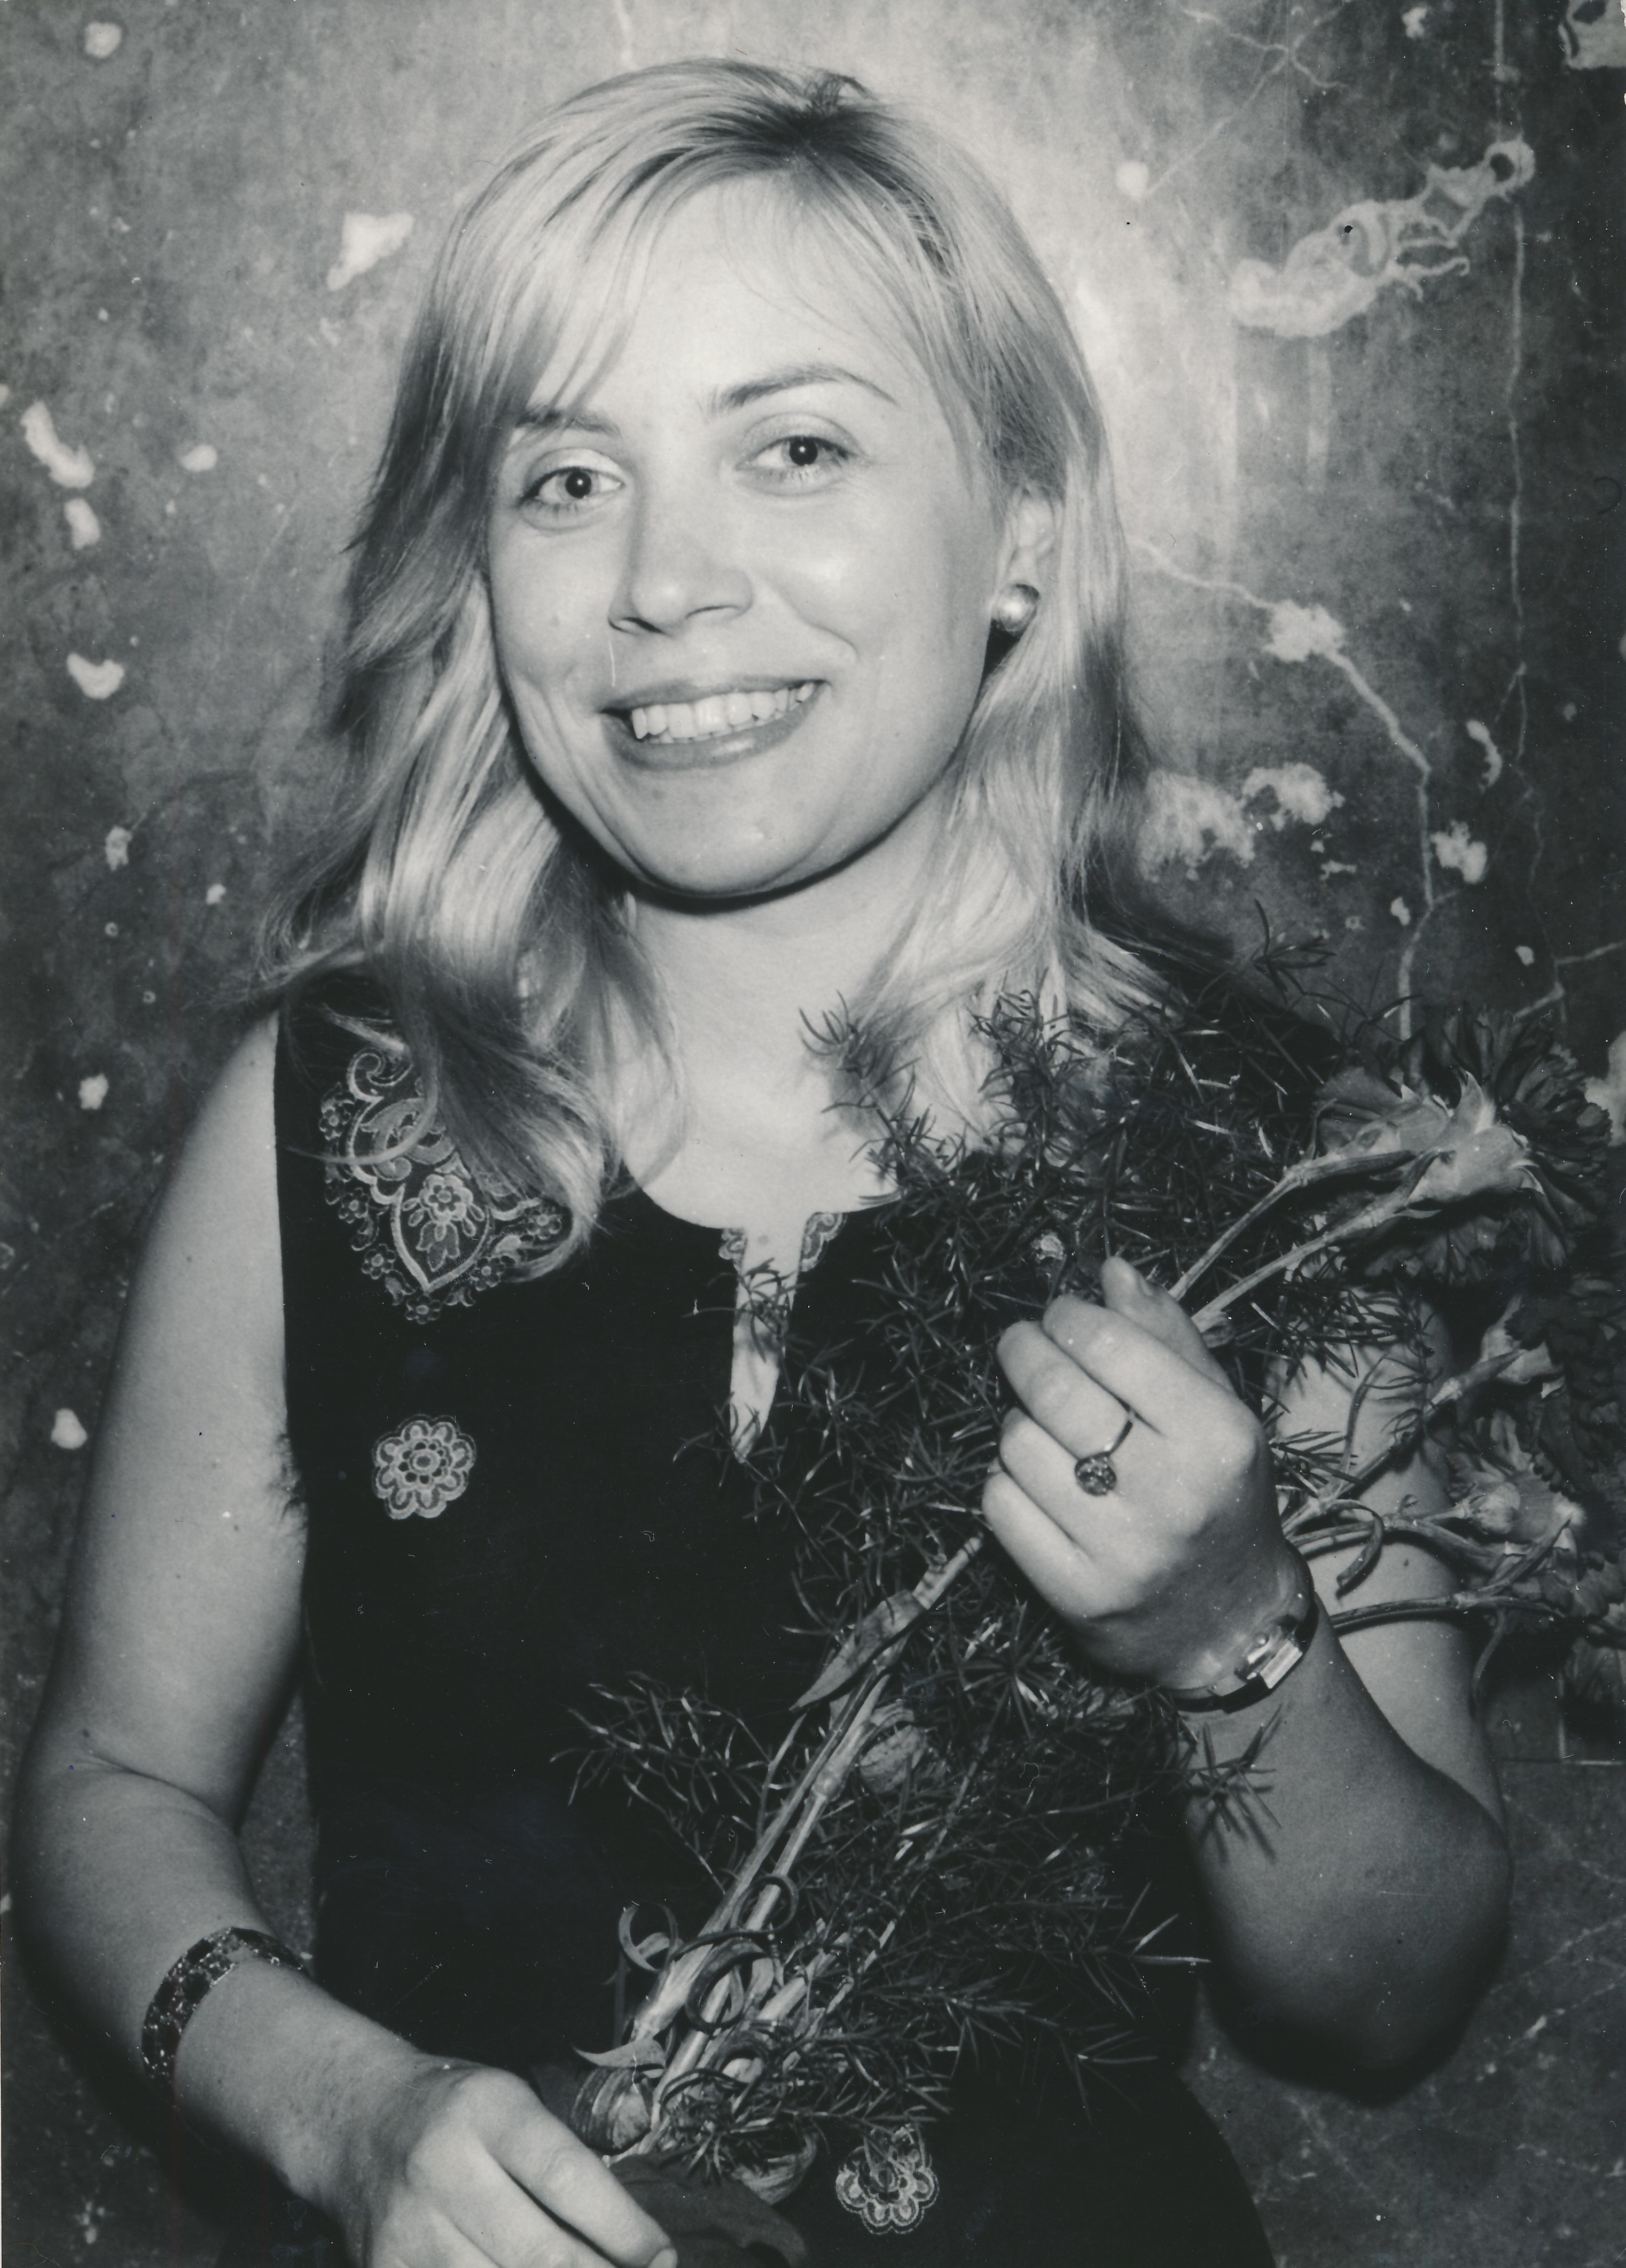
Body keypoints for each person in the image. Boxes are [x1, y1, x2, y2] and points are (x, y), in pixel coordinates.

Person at [15, 59, 1511, 2268]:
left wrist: (1232, 1630)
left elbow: (1381, 2000)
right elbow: (114, 1786)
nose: (660, 584)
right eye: (566, 478)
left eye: (791, 449)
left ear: (1019, 526)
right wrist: (341, 2118)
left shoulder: (1275, 1175)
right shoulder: (327, 1117)